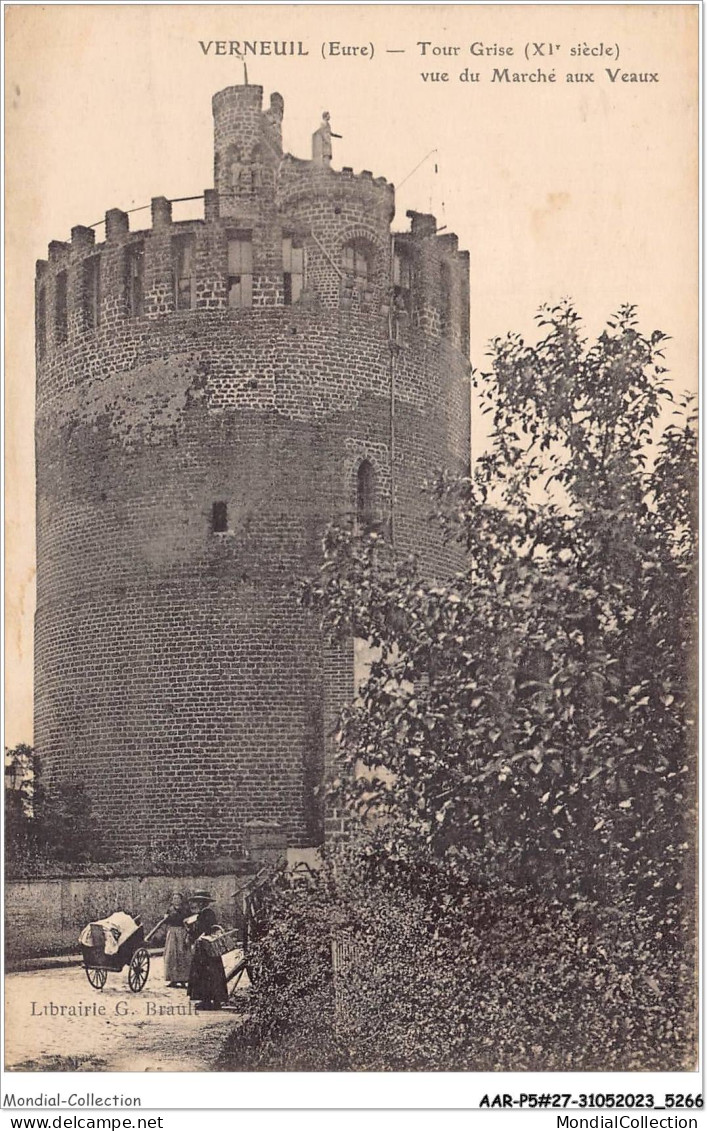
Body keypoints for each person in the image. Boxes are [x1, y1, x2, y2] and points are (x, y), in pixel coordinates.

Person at [186, 891, 228, 1010]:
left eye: (200, 901)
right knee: (211, 973)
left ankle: (208, 1001)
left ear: (204, 903)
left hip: (205, 948)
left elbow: (204, 929)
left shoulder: (206, 914)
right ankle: (212, 1000)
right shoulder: (205, 913)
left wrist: (191, 930)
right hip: (207, 948)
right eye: (197, 901)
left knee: (205, 974)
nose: (198, 904)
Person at [163, 892, 191, 987]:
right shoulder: (170, 910)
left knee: (182, 955)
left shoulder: (185, 910)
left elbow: (190, 920)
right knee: (171, 955)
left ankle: (183, 980)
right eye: (174, 898)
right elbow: (166, 921)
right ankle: (172, 979)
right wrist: (166, 918)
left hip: (182, 932)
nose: (176, 900)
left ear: (181, 900)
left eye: (178, 898)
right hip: (172, 932)